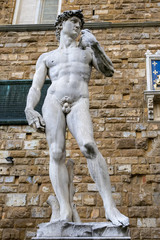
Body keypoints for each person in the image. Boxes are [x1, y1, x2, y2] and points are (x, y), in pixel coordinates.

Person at [25, 10, 129, 226]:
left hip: (78, 101)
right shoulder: (47, 57)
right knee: (56, 152)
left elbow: (108, 70)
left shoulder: (87, 52)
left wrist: (96, 44)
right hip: (53, 101)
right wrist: (29, 108)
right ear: (61, 25)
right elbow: (36, 87)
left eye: (80, 24)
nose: (77, 26)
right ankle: (64, 209)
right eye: (73, 22)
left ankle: (109, 207)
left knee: (89, 145)